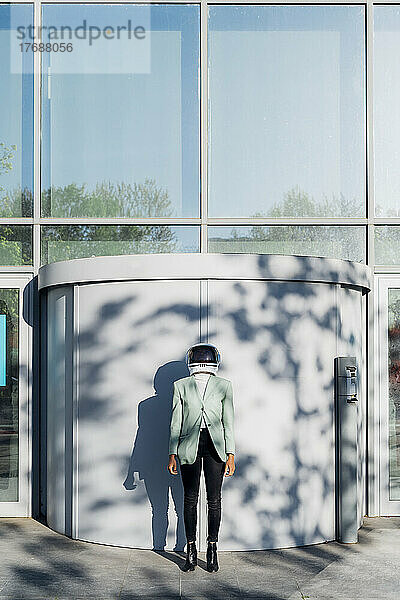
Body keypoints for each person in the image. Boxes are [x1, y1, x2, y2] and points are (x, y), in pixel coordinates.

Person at [167, 343, 236, 572]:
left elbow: (229, 422)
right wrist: (172, 453)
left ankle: (213, 548)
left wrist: (231, 454)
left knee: (214, 499)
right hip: (189, 445)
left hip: (215, 446)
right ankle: (191, 549)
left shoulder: (224, 385)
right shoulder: (181, 386)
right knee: (190, 499)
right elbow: (175, 422)